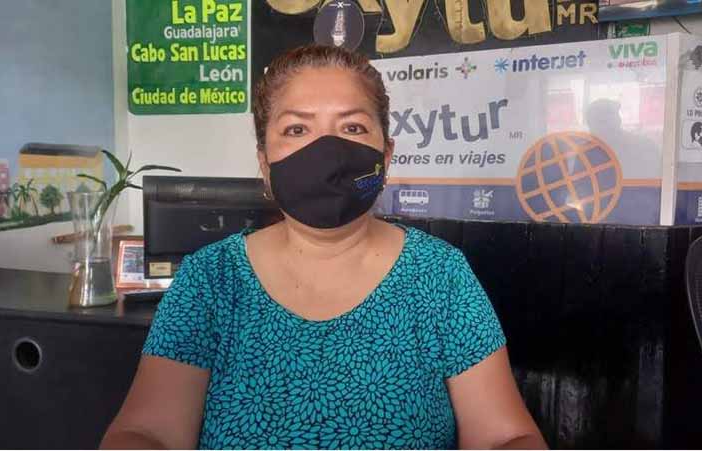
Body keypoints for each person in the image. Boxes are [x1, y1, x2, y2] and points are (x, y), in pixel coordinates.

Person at [101, 45, 546, 450]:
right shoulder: (210, 279)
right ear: (264, 162)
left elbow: (505, 436)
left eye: (352, 127)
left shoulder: (440, 275)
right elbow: (148, 432)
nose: (327, 151)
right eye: (297, 128)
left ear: (386, 156)